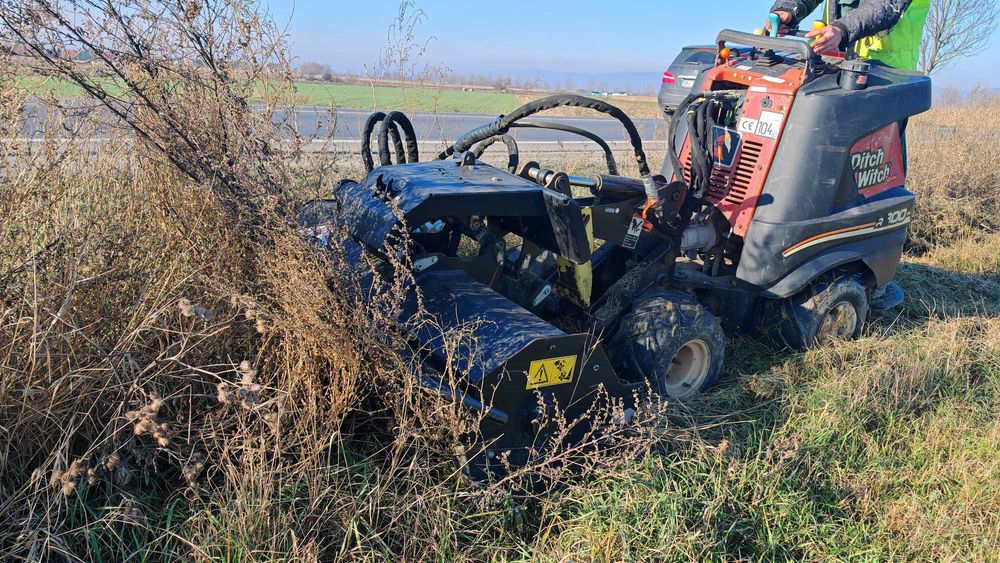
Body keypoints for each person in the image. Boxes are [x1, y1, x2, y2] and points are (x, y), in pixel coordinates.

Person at [766, 0, 930, 71]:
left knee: (881, 140)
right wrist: (788, 9)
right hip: (832, 62)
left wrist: (843, 29)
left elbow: (885, 6)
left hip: (886, 72)